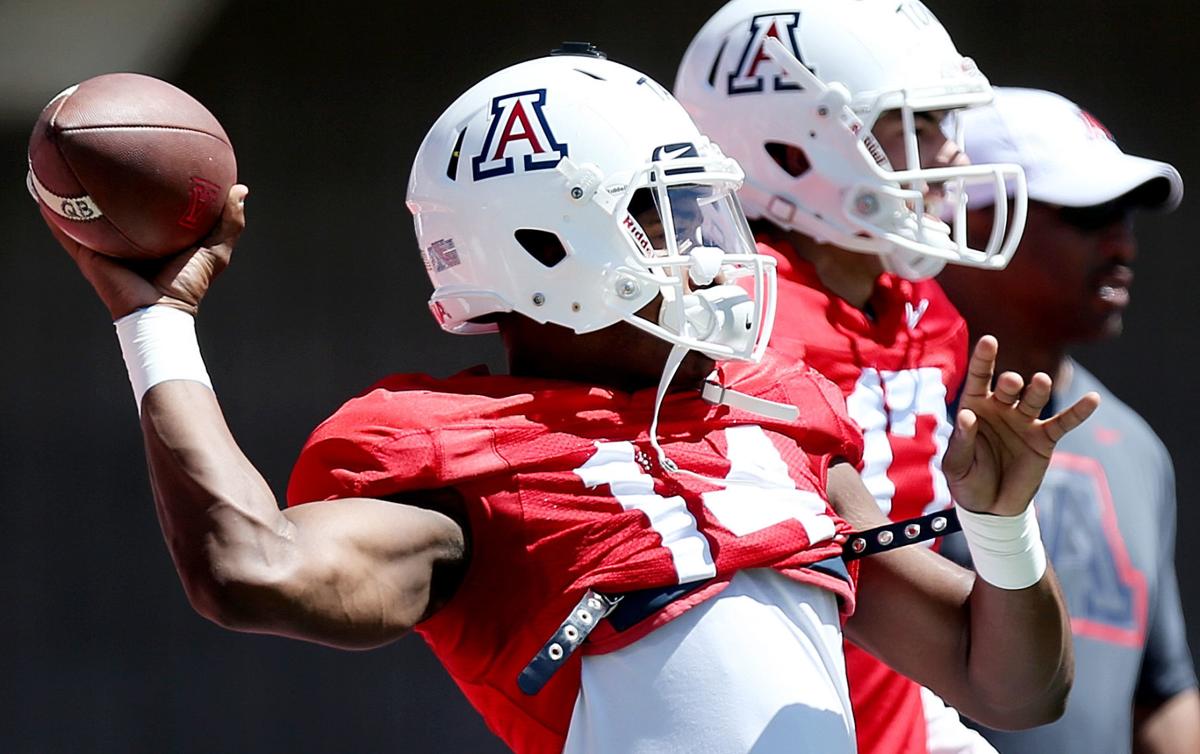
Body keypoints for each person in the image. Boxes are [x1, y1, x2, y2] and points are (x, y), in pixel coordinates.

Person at [44, 51, 1096, 753]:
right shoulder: (462, 460)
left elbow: (1011, 687)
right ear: (544, 246)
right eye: (671, 213)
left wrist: (1002, 531)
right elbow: (249, 565)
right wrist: (157, 322)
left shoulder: (779, 413)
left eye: (707, 210)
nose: (711, 250)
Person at [675, 2, 1023, 752]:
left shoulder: (926, 314)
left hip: (902, 706)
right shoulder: (724, 329)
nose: (951, 160)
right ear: (792, 146)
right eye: (918, 125)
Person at [936, 86, 1200, 754]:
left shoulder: (1134, 447)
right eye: (1091, 213)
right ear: (967, 219)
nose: (1124, 244)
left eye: (1129, 216)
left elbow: (1162, 695)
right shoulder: (878, 415)